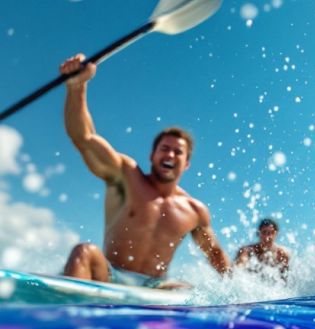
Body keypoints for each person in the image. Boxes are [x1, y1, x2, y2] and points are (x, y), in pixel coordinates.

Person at [56, 54, 230, 288]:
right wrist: (77, 86)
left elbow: (216, 256)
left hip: (154, 287)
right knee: (84, 252)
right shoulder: (126, 175)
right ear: (152, 155)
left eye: (177, 152)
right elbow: (84, 138)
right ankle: (66, 318)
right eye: (164, 149)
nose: (170, 155)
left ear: (186, 163)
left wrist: (240, 293)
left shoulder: (195, 210)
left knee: (185, 288)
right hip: (110, 276)